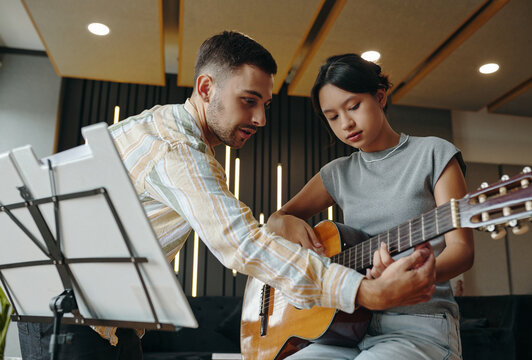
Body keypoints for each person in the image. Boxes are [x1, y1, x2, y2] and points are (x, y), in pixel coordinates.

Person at [18, 33, 437, 359]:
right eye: (248, 101)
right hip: (77, 319)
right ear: (205, 88)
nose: (260, 119)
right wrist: (361, 292)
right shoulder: (176, 150)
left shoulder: (157, 124)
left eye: (266, 104)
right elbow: (242, 243)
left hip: (102, 316)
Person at [266, 53, 474, 359]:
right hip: (344, 328)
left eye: (353, 107)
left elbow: (462, 250)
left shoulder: (434, 153)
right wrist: (285, 221)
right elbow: (275, 220)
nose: (346, 123)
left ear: (379, 96)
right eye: (332, 116)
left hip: (418, 324)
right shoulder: (337, 172)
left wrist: (411, 279)